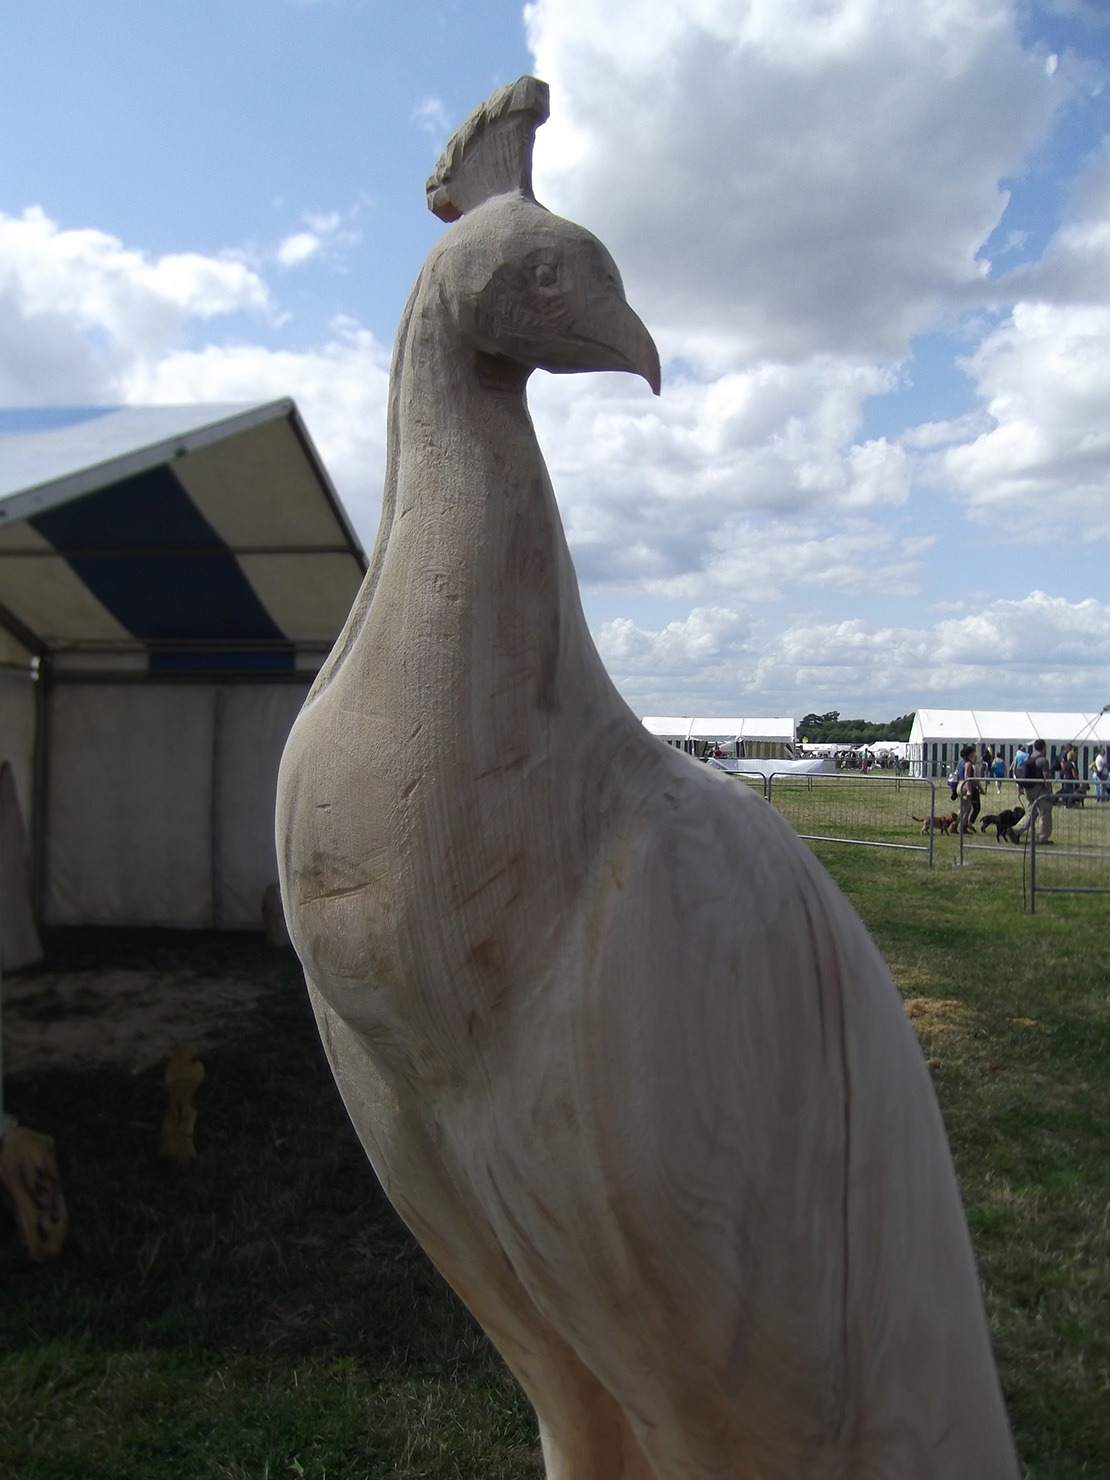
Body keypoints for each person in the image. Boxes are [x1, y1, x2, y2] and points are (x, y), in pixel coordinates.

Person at [1011, 739, 1054, 844]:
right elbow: (1045, 777)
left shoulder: (1029, 758)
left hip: (1028, 789)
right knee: (1045, 812)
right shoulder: (1043, 760)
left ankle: (1016, 831)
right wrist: (1049, 790)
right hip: (1038, 789)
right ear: (1044, 747)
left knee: (1031, 812)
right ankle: (1042, 838)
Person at [958, 745, 981, 833]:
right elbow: (967, 778)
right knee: (966, 809)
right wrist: (969, 791)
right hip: (964, 787)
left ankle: (956, 826)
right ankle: (962, 828)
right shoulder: (968, 764)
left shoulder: (961, 762)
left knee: (964, 808)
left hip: (959, 785)